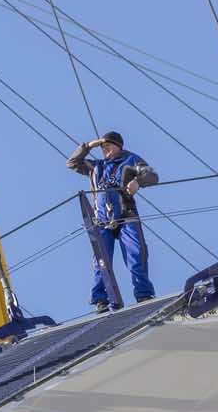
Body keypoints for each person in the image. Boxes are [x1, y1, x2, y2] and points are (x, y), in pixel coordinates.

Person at [67, 131, 159, 311]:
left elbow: (152, 176)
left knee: (136, 254)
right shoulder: (95, 167)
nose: (105, 148)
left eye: (108, 144)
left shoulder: (130, 160)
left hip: (126, 216)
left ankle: (143, 294)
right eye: (102, 146)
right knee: (101, 259)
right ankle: (101, 299)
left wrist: (138, 182)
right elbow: (72, 163)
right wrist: (89, 146)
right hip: (102, 221)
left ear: (119, 145)